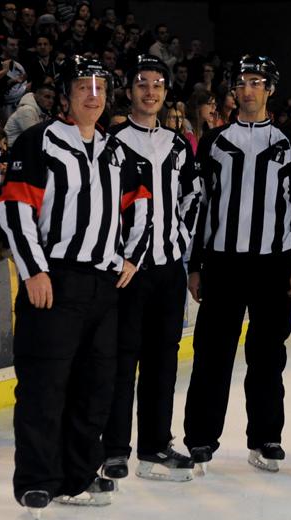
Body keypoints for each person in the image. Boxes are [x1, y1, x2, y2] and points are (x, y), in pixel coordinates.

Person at [0, 55, 151, 520]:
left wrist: (132, 257)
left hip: (104, 288)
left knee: (94, 387)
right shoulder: (38, 142)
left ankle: (78, 475)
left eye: (100, 87)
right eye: (82, 86)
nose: (92, 94)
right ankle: (37, 482)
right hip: (54, 282)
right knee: (45, 386)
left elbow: (141, 206)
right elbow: (15, 209)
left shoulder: (117, 151)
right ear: (65, 94)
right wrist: (33, 270)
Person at [183, 54, 291, 474]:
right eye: (243, 83)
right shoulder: (214, 142)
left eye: (257, 82)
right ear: (234, 92)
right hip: (222, 265)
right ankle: (200, 439)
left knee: (267, 355)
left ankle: (266, 438)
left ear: (270, 89)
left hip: (274, 267)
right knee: (211, 355)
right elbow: (198, 207)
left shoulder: (289, 143)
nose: (249, 89)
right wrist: (194, 264)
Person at [101, 54, 201, 483]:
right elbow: (102, 208)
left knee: (164, 360)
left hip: (168, 271)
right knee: (122, 361)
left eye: (158, 84)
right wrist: (118, 254)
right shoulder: (112, 143)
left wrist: (183, 251)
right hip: (128, 271)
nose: (151, 91)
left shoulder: (178, 145)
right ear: (129, 90)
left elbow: (192, 201)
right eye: (143, 83)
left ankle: (155, 446)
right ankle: (115, 451)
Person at [4, 81, 55, 147]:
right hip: (10, 149)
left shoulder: (44, 111)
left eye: (53, 98)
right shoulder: (26, 110)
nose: (51, 101)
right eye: (47, 97)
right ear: (36, 96)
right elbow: (35, 138)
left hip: (22, 148)